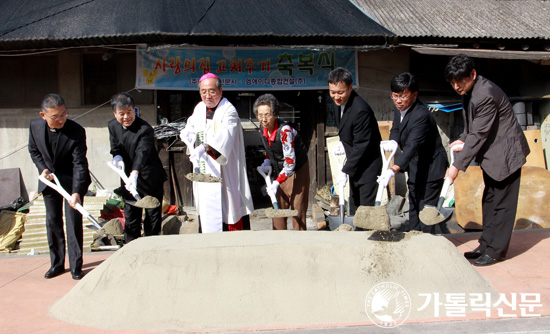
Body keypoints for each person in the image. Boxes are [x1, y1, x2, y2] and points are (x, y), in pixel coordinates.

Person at [444, 54, 530, 266]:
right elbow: (472, 128)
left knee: (502, 206)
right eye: (453, 82)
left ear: (473, 74)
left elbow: (479, 134)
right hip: (492, 155)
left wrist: (456, 166)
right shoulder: (470, 91)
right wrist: (462, 139)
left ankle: (495, 251)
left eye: (460, 82)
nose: (456, 86)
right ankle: (485, 244)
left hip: (505, 155)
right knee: (490, 202)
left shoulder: (485, 94)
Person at [180, 73, 254, 233]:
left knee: (228, 207)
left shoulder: (229, 110)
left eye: (212, 91)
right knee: (207, 211)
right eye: (203, 91)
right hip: (204, 167)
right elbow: (191, 126)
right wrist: (187, 134)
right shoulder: (199, 108)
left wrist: (204, 147)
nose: (207, 96)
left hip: (224, 167)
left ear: (220, 90)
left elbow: (224, 138)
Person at [28, 94, 91, 280]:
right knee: (53, 222)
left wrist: (77, 191)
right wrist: (43, 169)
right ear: (43, 115)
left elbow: (80, 163)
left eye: (64, 114)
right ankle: (56, 264)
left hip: (72, 181)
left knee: (73, 223)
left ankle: (76, 266)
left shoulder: (76, 131)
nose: (61, 119)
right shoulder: (35, 126)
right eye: (55, 116)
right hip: (49, 181)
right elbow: (33, 150)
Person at [380, 72, 449, 233]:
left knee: (426, 209)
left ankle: (427, 243)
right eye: (395, 96)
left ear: (414, 95)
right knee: (413, 202)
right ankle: (414, 237)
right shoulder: (400, 108)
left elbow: (413, 145)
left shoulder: (421, 115)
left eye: (403, 96)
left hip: (431, 167)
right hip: (415, 165)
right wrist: (393, 142)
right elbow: (396, 128)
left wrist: (393, 169)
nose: (398, 100)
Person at [108, 92, 167, 243]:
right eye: (122, 113)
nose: (126, 117)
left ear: (134, 110)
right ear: (115, 113)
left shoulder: (145, 129)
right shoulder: (113, 126)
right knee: (131, 215)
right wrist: (117, 156)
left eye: (130, 112)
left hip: (149, 177)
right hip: (128, 177)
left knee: (152, 216)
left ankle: (151, 247)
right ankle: (130, 248)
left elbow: (142, 152)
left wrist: (135, 173)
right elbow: (115, 146)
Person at [328, 67, 382, 215]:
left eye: (341, 92)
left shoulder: (360, 110)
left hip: (367, 166)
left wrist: (345, 170)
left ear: (350, 88)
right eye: (332, 92)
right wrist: (342, 142)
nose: (336, 96)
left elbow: (361, 145)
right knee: (354, 205)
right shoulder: (339, 104)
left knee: (365, 210)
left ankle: (365, 234)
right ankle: (356, 233)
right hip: (355, 164)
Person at [253, 94, 309, 230]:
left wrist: (277, 182)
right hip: (279, 169)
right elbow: (270, 149)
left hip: (296, 169)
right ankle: (278, 239)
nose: (263, 119)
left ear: (275, 114)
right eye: (260, 115)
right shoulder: (262, 129)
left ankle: (300, 240)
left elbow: (290, 163)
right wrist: (267, 162)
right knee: (277, 205)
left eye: (267, 115)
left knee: (297, 208)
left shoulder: (285, 131)